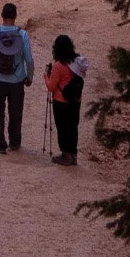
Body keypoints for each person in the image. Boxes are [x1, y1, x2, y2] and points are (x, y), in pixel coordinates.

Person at [0, 2, 34, 152]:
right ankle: (15, 142)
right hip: (17, 80)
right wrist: (29, 77)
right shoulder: (22, 34)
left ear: (2, 15)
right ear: (15, 16)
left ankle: (0, 145)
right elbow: (29, 60)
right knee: (16, 112)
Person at [45, 32, 88, 165]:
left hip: (61, 102)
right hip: (75, 101)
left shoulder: (58, 66)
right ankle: (73, 155)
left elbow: (51, 87)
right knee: (73, 128)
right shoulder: (77, 62)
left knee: (62, 129)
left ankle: (65, 156)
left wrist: (46, 75)